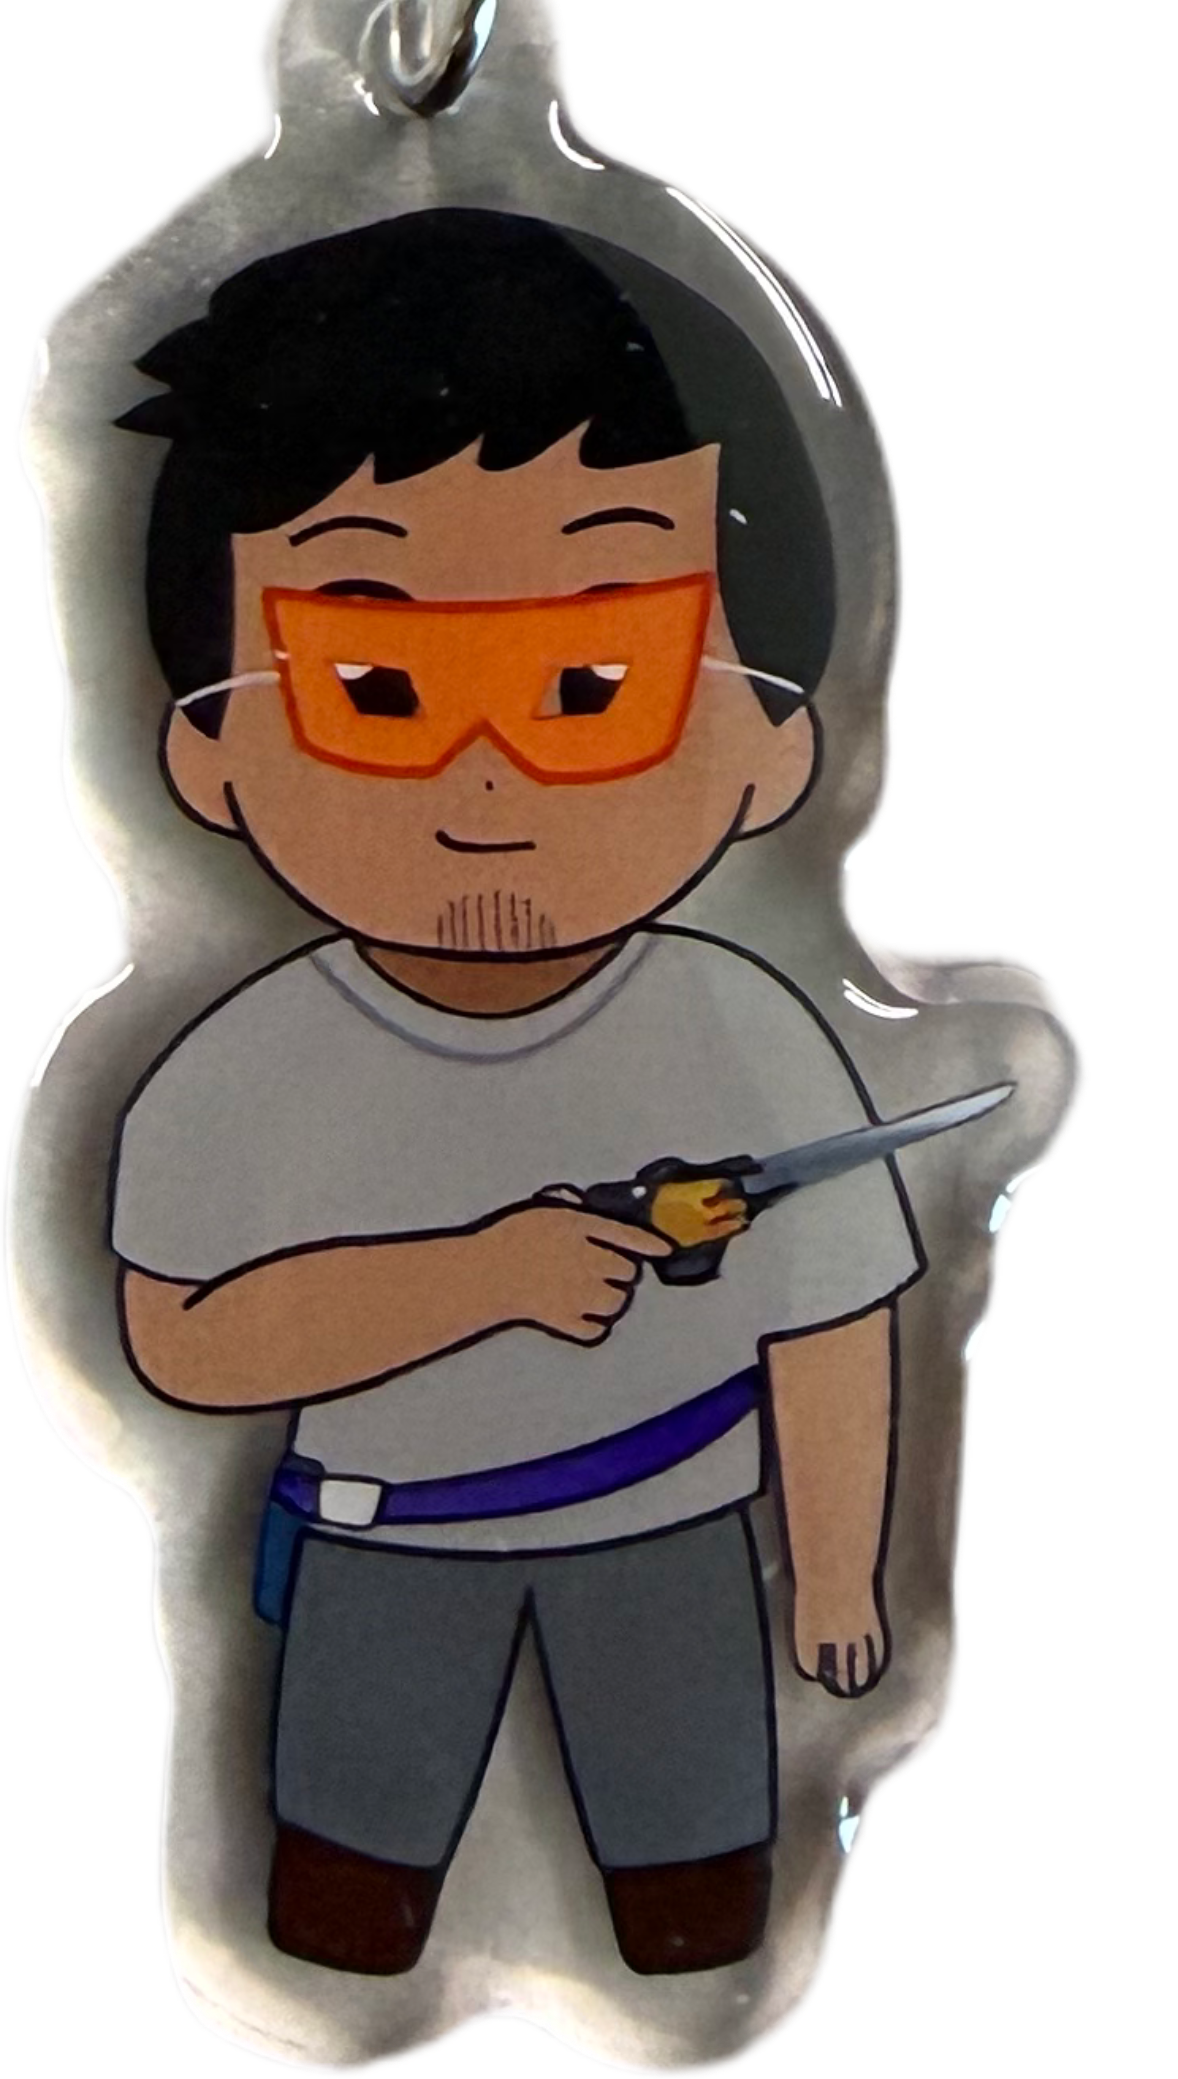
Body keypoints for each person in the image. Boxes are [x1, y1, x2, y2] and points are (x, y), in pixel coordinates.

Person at [111, 208, 922, 1979]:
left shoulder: (742, 1024)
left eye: (589, 685)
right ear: (210, 748)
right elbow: (182, 1342)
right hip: (383, 1550)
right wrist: (474, 1278)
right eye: (379, 689)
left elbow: (830, 1317)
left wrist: (836, 1571)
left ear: (769, 736)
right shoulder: (240, 1065)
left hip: (678, 1538)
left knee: (704, 1906)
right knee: (337, 1910)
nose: (485, 780)